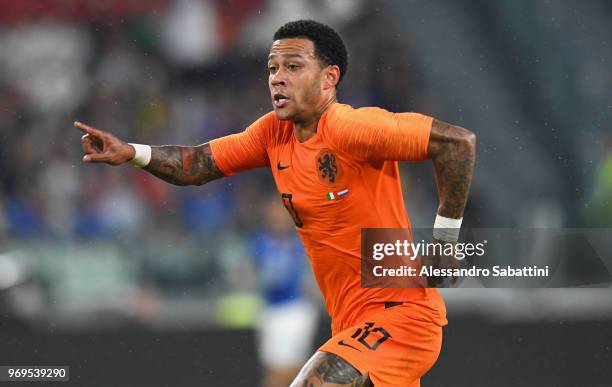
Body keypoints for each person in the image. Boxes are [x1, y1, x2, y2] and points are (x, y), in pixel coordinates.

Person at [76, 20, 476, 387]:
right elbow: (197, 163)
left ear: (329, 78)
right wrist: (132, 151)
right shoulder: (273, 134)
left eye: (293, 67)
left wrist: (444, 241)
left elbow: (457, 143)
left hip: (401, 314)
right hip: (351, 322)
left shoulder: (351, 127)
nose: (278, 79)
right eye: (272, 69)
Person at [252, 196, 319, 387]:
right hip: (270, 309)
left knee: (292, 369)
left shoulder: (301, 240)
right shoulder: (259, 241)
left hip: (295, 308)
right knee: (274, 367)